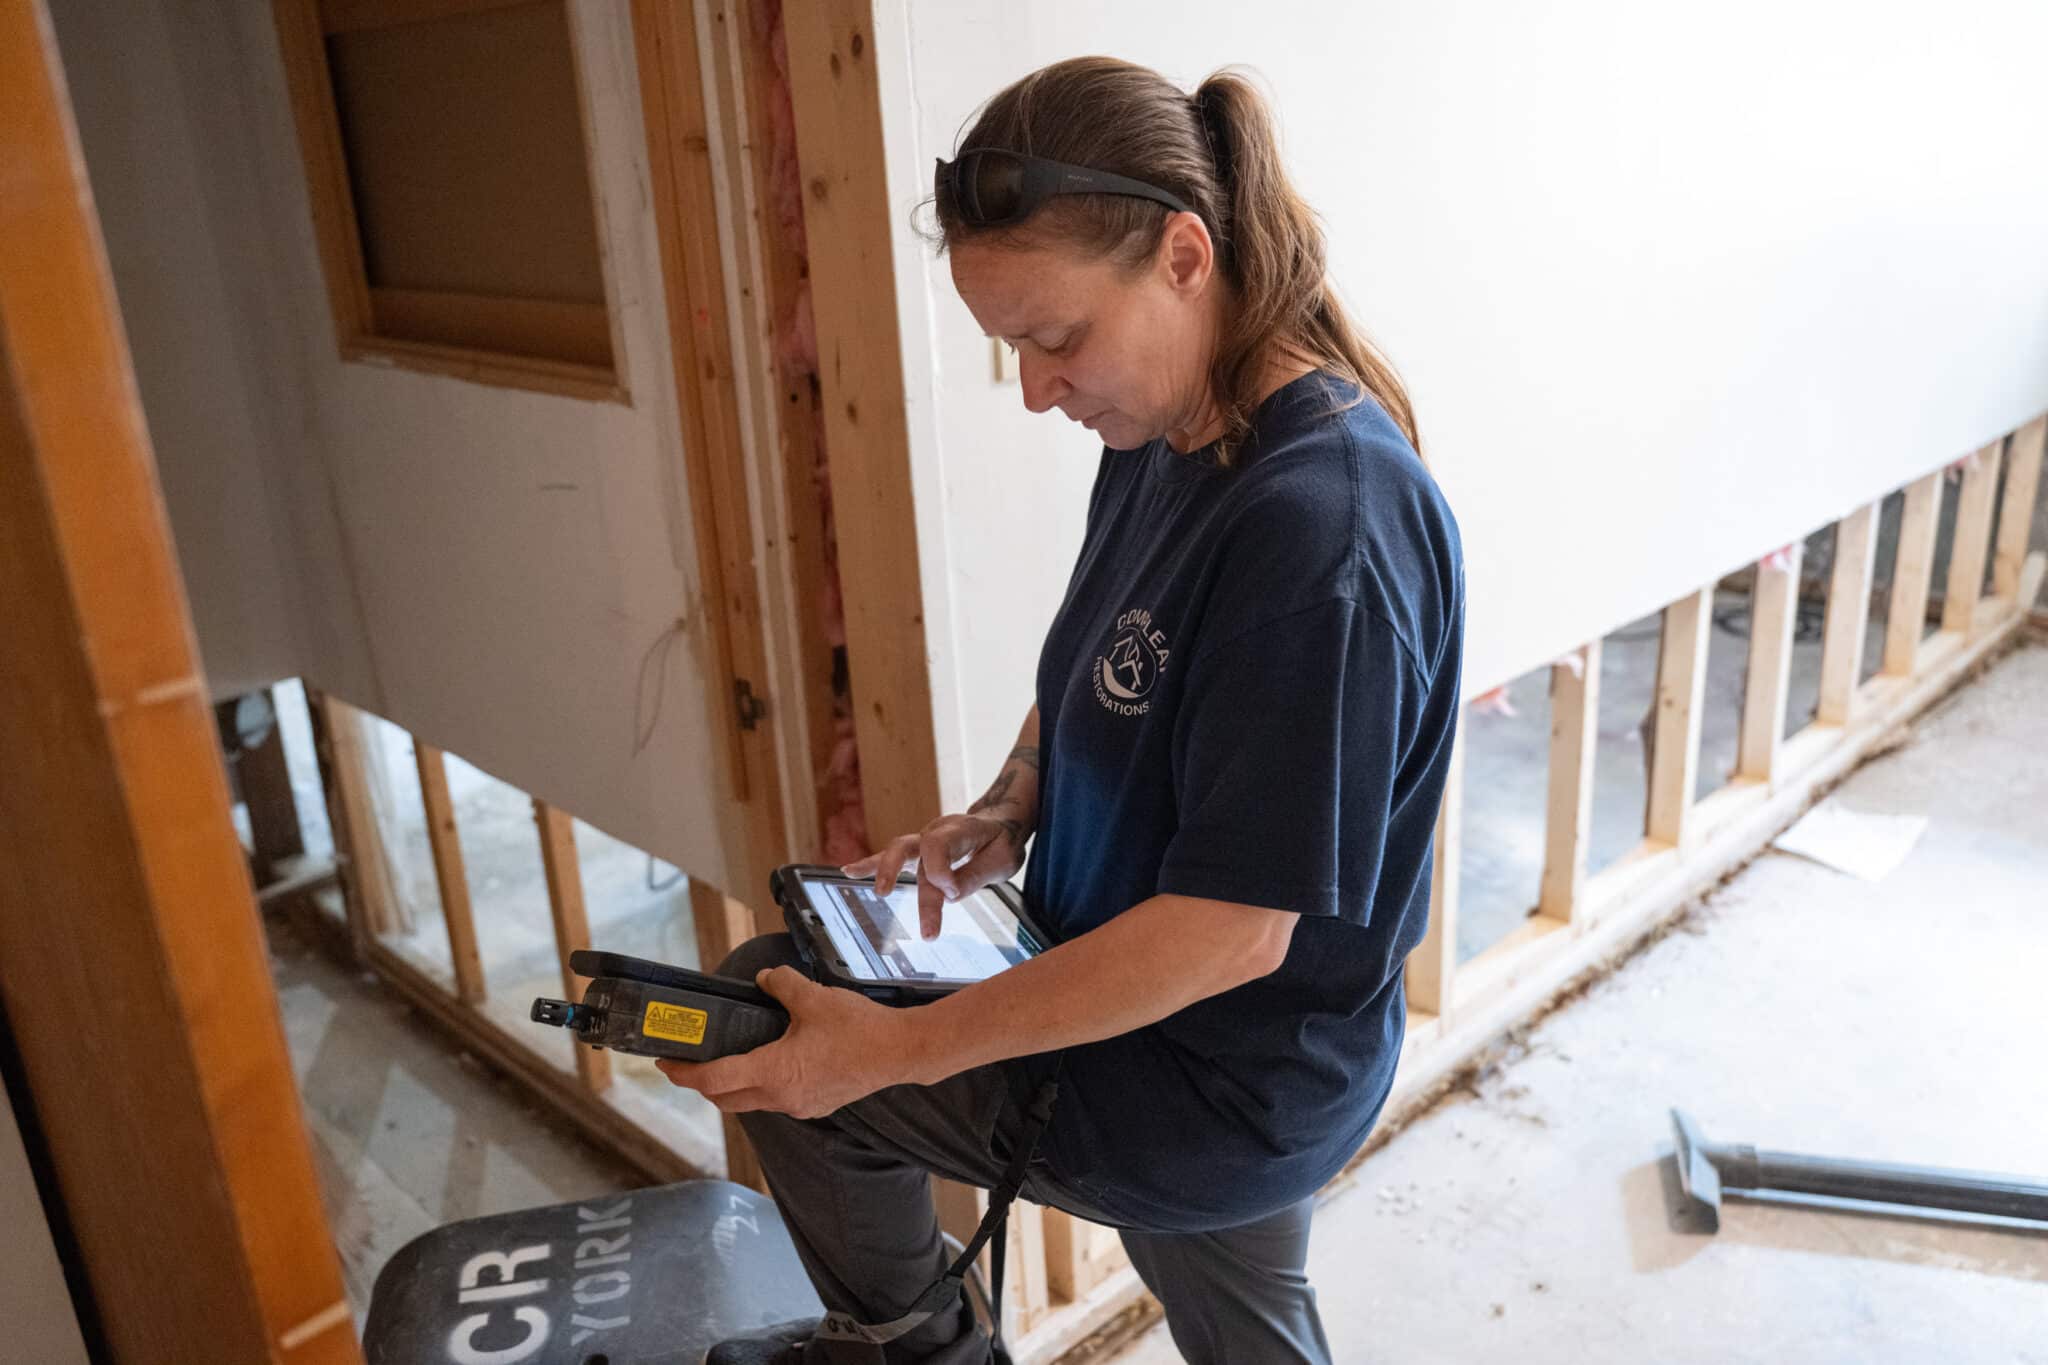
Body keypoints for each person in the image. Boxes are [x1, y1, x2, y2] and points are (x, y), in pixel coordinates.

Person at [661, 55, 1464, 1365]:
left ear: (1186, 257)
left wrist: (900, 1048)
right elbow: (1097, 665)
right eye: (1013, 349)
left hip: (1221, 1076)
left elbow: (1225, 937)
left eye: (1055, 338)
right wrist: (1008, 804)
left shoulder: (1321, 533)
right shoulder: (1166, 431)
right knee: (1242, 1311)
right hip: (1196, 1035)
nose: (1037, 389)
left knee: (784, 1026)